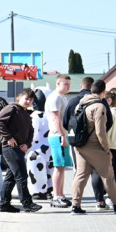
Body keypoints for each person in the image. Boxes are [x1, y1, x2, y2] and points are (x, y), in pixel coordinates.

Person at [69, 80, 116, 214]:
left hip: (80, 145)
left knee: (80, 176)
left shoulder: (81, 104)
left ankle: (75, 205)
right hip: (95, 146)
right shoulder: (99, 106)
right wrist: (106, 148)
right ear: (103, 92)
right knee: (108, 175)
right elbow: (100, 131)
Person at [0, 88, 42, 213]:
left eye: (31, 100)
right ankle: (27, 203)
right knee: (21, 175)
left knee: (11, 177)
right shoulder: (12, 108)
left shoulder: (25, 112)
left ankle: (4, 204)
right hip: (10, 148)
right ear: (19, 97)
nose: (28, 101)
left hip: (19, 148)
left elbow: (31, 131)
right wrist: (8, 137)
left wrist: (27, 144)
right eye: (26, 98)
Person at [91, 91, 116, 205]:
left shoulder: (110, 113)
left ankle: (103, 199)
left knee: (100, 172)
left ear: (109, 101)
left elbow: (106, 130)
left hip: (109, 144)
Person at [44, 74, 73, 208]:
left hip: (62, 135)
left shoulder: (62, 97)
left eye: (69, 84)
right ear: (58, 84)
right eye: (65, 84)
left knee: (62, 167)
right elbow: (56, 118)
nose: (68, 86)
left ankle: (61, 194)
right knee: (58, 166)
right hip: (57, 135)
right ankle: (56, 196)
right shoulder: (55, 97)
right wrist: (62, 135)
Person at [26, 90, 52, 200]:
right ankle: (49, 190)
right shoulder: (51, 115)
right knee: (50, 170)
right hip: (50, 148)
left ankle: (38, 191)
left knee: (36, 172)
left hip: (35, 149)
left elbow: (33, 134)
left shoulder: (34, 116)